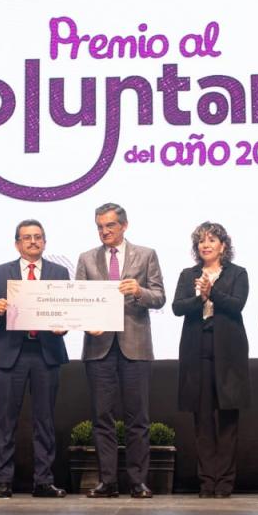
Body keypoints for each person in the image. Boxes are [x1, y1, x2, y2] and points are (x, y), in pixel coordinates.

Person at [75, 203, 166, 498]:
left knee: (137, 418)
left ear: (124, 225)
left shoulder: (146, 255)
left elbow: (159, 297)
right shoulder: (86, 258)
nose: (104, 231)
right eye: (100, 226)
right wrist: (87, 323)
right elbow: (79, 301)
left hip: (135, 346)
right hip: (98, 347)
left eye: (110, 225)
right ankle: (108, 481)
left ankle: (138, 481)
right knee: (102, 417)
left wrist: (139, 291)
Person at [0, 219, 69, 498]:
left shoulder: (59, 272)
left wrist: (64, 325)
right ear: (17, 243)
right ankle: (2, 481)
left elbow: (66, 310)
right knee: (5, 420)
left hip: (46, 352)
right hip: (12, 353)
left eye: (38, 237)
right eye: (27, 237)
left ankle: (43, 481)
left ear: (45, 242)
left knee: (45, 421)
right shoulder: (0, 272)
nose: (33, 241)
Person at [172, 221, 250, 498]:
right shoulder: (188, 274)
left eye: (211, 240)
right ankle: (207, 482)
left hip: (229, 352)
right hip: (198, 350)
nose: (205, 245)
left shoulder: (238, 273)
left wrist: (212, 292)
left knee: (228, 419)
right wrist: (199, 297)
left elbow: (237, 304)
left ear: (223, 246)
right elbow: (177, 307)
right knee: (202, 420)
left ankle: (224, 482)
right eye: (201, 241)